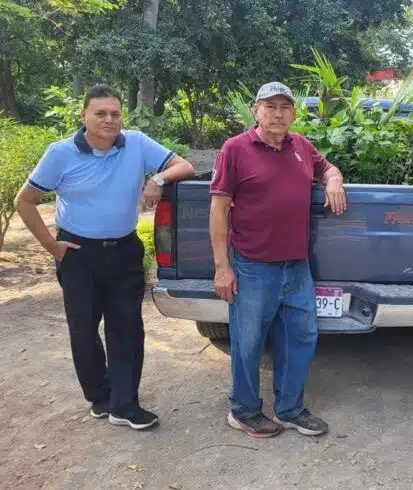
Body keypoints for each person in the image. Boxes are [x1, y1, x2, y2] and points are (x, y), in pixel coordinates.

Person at [14, 84, 196, 430]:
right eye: (100, 113)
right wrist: (51, 246)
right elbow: (24, 202)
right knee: (83, 329)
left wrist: (157, 178)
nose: (109, 120)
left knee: (127, 328)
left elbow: (184, 166)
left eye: (115, 113)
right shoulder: (60, 153)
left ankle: (124, 405)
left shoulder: (137, 143)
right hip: (77, 254)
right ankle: (100, 397)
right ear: (84, 116)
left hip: (124, 252)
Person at [209, 81, 346, 439]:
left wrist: (333, 180)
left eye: (285, 107)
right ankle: (243, 411)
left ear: (294, 113)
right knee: (248, 342)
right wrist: (223, 267)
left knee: (300, 338)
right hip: (253, 266)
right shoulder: (235, 149)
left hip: (296, 266)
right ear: (255, 110)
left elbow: (328, 167)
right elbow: (219, 209)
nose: (278, 113)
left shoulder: (301, 145)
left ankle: (290, 410)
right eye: (270, 106)